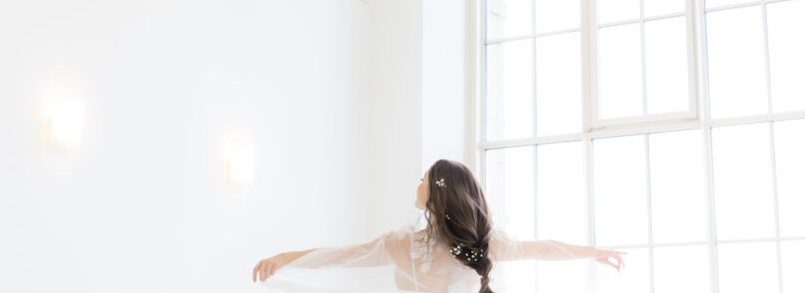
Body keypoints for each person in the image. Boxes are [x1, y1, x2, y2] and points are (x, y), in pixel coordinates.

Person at [252, 159, 626, 293]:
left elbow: (345, 256)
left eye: (423, 179)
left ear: (434, 194)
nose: (417, 184)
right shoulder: (485, 243)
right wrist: (594, 252)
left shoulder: (404, 245)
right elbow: (541, 248)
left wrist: (286, 257)